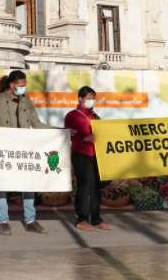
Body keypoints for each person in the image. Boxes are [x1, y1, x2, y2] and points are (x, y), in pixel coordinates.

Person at [0, 70, 51, 235]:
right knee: (2, 186)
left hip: (24, 150)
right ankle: (3, 221)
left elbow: (37, 123)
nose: (23, 88)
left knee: (28, 185)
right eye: (20, 85)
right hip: (5, 151)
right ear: (12, 85)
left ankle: (30, 220)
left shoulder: (27, 102)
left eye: (24, 85)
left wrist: (59, 131)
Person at [64, 86, 111, 231]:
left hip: (96, 155)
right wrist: (84, 138)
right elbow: (68, 135)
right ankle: (82, 219)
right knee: (84, 187)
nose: (92, 101)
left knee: (96, 187)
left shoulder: (94, 116)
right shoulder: (72, 115)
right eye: (89, 98)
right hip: (81, 154)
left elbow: (103, 131)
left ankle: (96, 219)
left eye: (93, 98)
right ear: (80, 98)